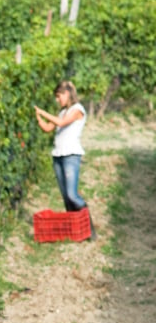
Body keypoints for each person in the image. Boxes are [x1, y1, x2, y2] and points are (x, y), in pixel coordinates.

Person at [34, 80, 95, 238]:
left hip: (71, 156)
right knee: (66, 197)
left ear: (67, 94)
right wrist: (38, 118)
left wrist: (42, 112)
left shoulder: (77, 110)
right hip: (58, 156)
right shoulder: (62, 112)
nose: (57, 99)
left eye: (58, 96)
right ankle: (76, 230)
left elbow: (61, 123)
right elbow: (48, 128)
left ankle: (89, 225)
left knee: (72, 194)